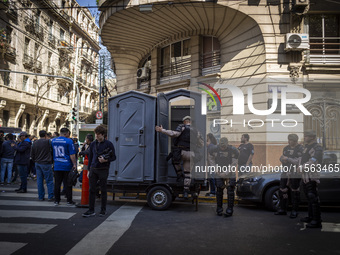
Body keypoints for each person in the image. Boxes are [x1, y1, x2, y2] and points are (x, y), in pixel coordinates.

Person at [155, 116, 203, 199]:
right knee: (188, 173)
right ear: (190, 122)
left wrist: (162, 130)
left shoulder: (182, 127)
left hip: (181, 152)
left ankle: (179, 175)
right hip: (191, 154)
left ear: (184, 121)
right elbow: (201, 144)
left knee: (175, 161)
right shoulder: (197, 131)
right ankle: (186, 191)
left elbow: (174, 134)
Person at [82, 125, 116, 217]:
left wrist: (105, 160)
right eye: (95, 134)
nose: (96, 136)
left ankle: (103, 210)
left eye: (98, 134)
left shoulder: (109, 144)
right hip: (93, 169)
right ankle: (91, 210)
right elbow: (90, 157)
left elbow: (114, 157)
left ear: (103, 134)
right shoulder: (93, 144)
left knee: (103, 190)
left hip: (103, 169)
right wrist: (89, 170)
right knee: (91, 190)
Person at [275, 134, 304, 218]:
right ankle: (283, 209)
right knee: (282, 190)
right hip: (286, 172)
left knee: (295, 192)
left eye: (290, 140)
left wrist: (288, 159)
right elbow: (282, 157)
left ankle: (294, 210)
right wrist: (282, 159)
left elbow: (298, 162)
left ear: (295, 140)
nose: (288, 141)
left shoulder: (300, 149)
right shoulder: (286, 148)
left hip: (295, 173)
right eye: (288, 139)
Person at [209, 137, 239, 216]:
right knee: (219, 190)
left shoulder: (233, 150)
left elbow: (234, 163)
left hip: (230, 172)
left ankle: (230, 209)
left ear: (227, 145)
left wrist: (225, 173)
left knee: (230, 191)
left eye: (224, 146)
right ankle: (219, 209)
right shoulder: (214, 149)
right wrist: (216, 169)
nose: (222, 148)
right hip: (219, 172)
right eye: (221, 146)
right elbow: (211, 160)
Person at [299, 130, 323, 228]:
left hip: (312, 175)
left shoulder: (317, 148)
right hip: (305, 175)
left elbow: (313, 161)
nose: (305, 138)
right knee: (309, 197)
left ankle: (316, 220)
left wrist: (302, 167)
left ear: (312, 137)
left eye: (307, 136)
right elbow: (302, 159)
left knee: (313, 196)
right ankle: (310, 216)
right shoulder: (307, 147)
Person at [51, 128, 77, 206]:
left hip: (57, 165)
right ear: (66, 134)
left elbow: (52, 152)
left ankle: (56, 200)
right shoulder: (69, 141)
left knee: (57, 184)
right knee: (68, 184)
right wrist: (74, 164)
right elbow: (72, 155)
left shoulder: (53, 141)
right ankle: (69, 201)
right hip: (66, 165)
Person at [31, 130, 54, 201]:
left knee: (39, 180)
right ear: (45, 135)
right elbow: (52, 151)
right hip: (46, 163)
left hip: (38, 162)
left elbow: (32, 154)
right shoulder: (48, 142)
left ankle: (41, 196)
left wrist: (35, 160)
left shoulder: (35, 142)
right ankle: (50, 196)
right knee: (49, 180)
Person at [205, 133, 217, 197]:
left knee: (211, 178)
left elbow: (211, 156)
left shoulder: (210, 146)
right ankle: (213, 191)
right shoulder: (212, 145)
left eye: (207, 137)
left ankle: (213, 192)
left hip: (211, 165)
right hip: (212, 164)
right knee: (212, 178)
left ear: (208, 137)